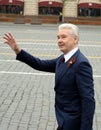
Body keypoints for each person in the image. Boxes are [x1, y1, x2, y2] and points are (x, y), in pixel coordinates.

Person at [3, 23, 95, 130]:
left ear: (75, 39)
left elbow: (88, 100)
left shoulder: (81, 63)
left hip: (73, 122)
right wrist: (18, 51)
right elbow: (39, 64)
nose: (59, 40)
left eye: (63, 37)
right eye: (58, 37)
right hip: (64, 119)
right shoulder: (63, 59)